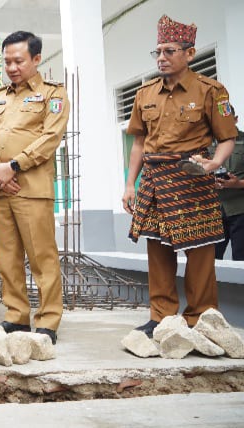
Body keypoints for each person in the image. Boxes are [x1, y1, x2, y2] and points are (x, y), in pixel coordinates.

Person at [123, 15, 238, 337]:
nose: (161, 57)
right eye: (157, 51)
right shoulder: (144, 94)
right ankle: (162, 318)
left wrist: (214, 164)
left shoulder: (211, 91)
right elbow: (139, 143)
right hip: (155, 179)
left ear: (189, 53)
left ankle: (200, 316)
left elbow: (227, 136)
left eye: (169, 50)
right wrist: (129, 184)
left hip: (193, 177)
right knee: (158, 250)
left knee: (201, 251)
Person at [0, 31, 69, 345]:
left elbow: (50, 138)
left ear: (36, 59)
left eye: (19, 61)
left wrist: (12, 165)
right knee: (7, 258)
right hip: (0, 188)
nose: (12, 67)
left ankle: (47, 321)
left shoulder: (53, 94)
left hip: (31, 188)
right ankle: (16, 316)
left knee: (42, 257)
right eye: (7, 62)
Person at [214, 116, 244, 261]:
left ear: (235, 119)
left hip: (240, 210)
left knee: (240, 260)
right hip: (213, 212)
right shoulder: (207, 144)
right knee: (210, 261)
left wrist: (238, 184)